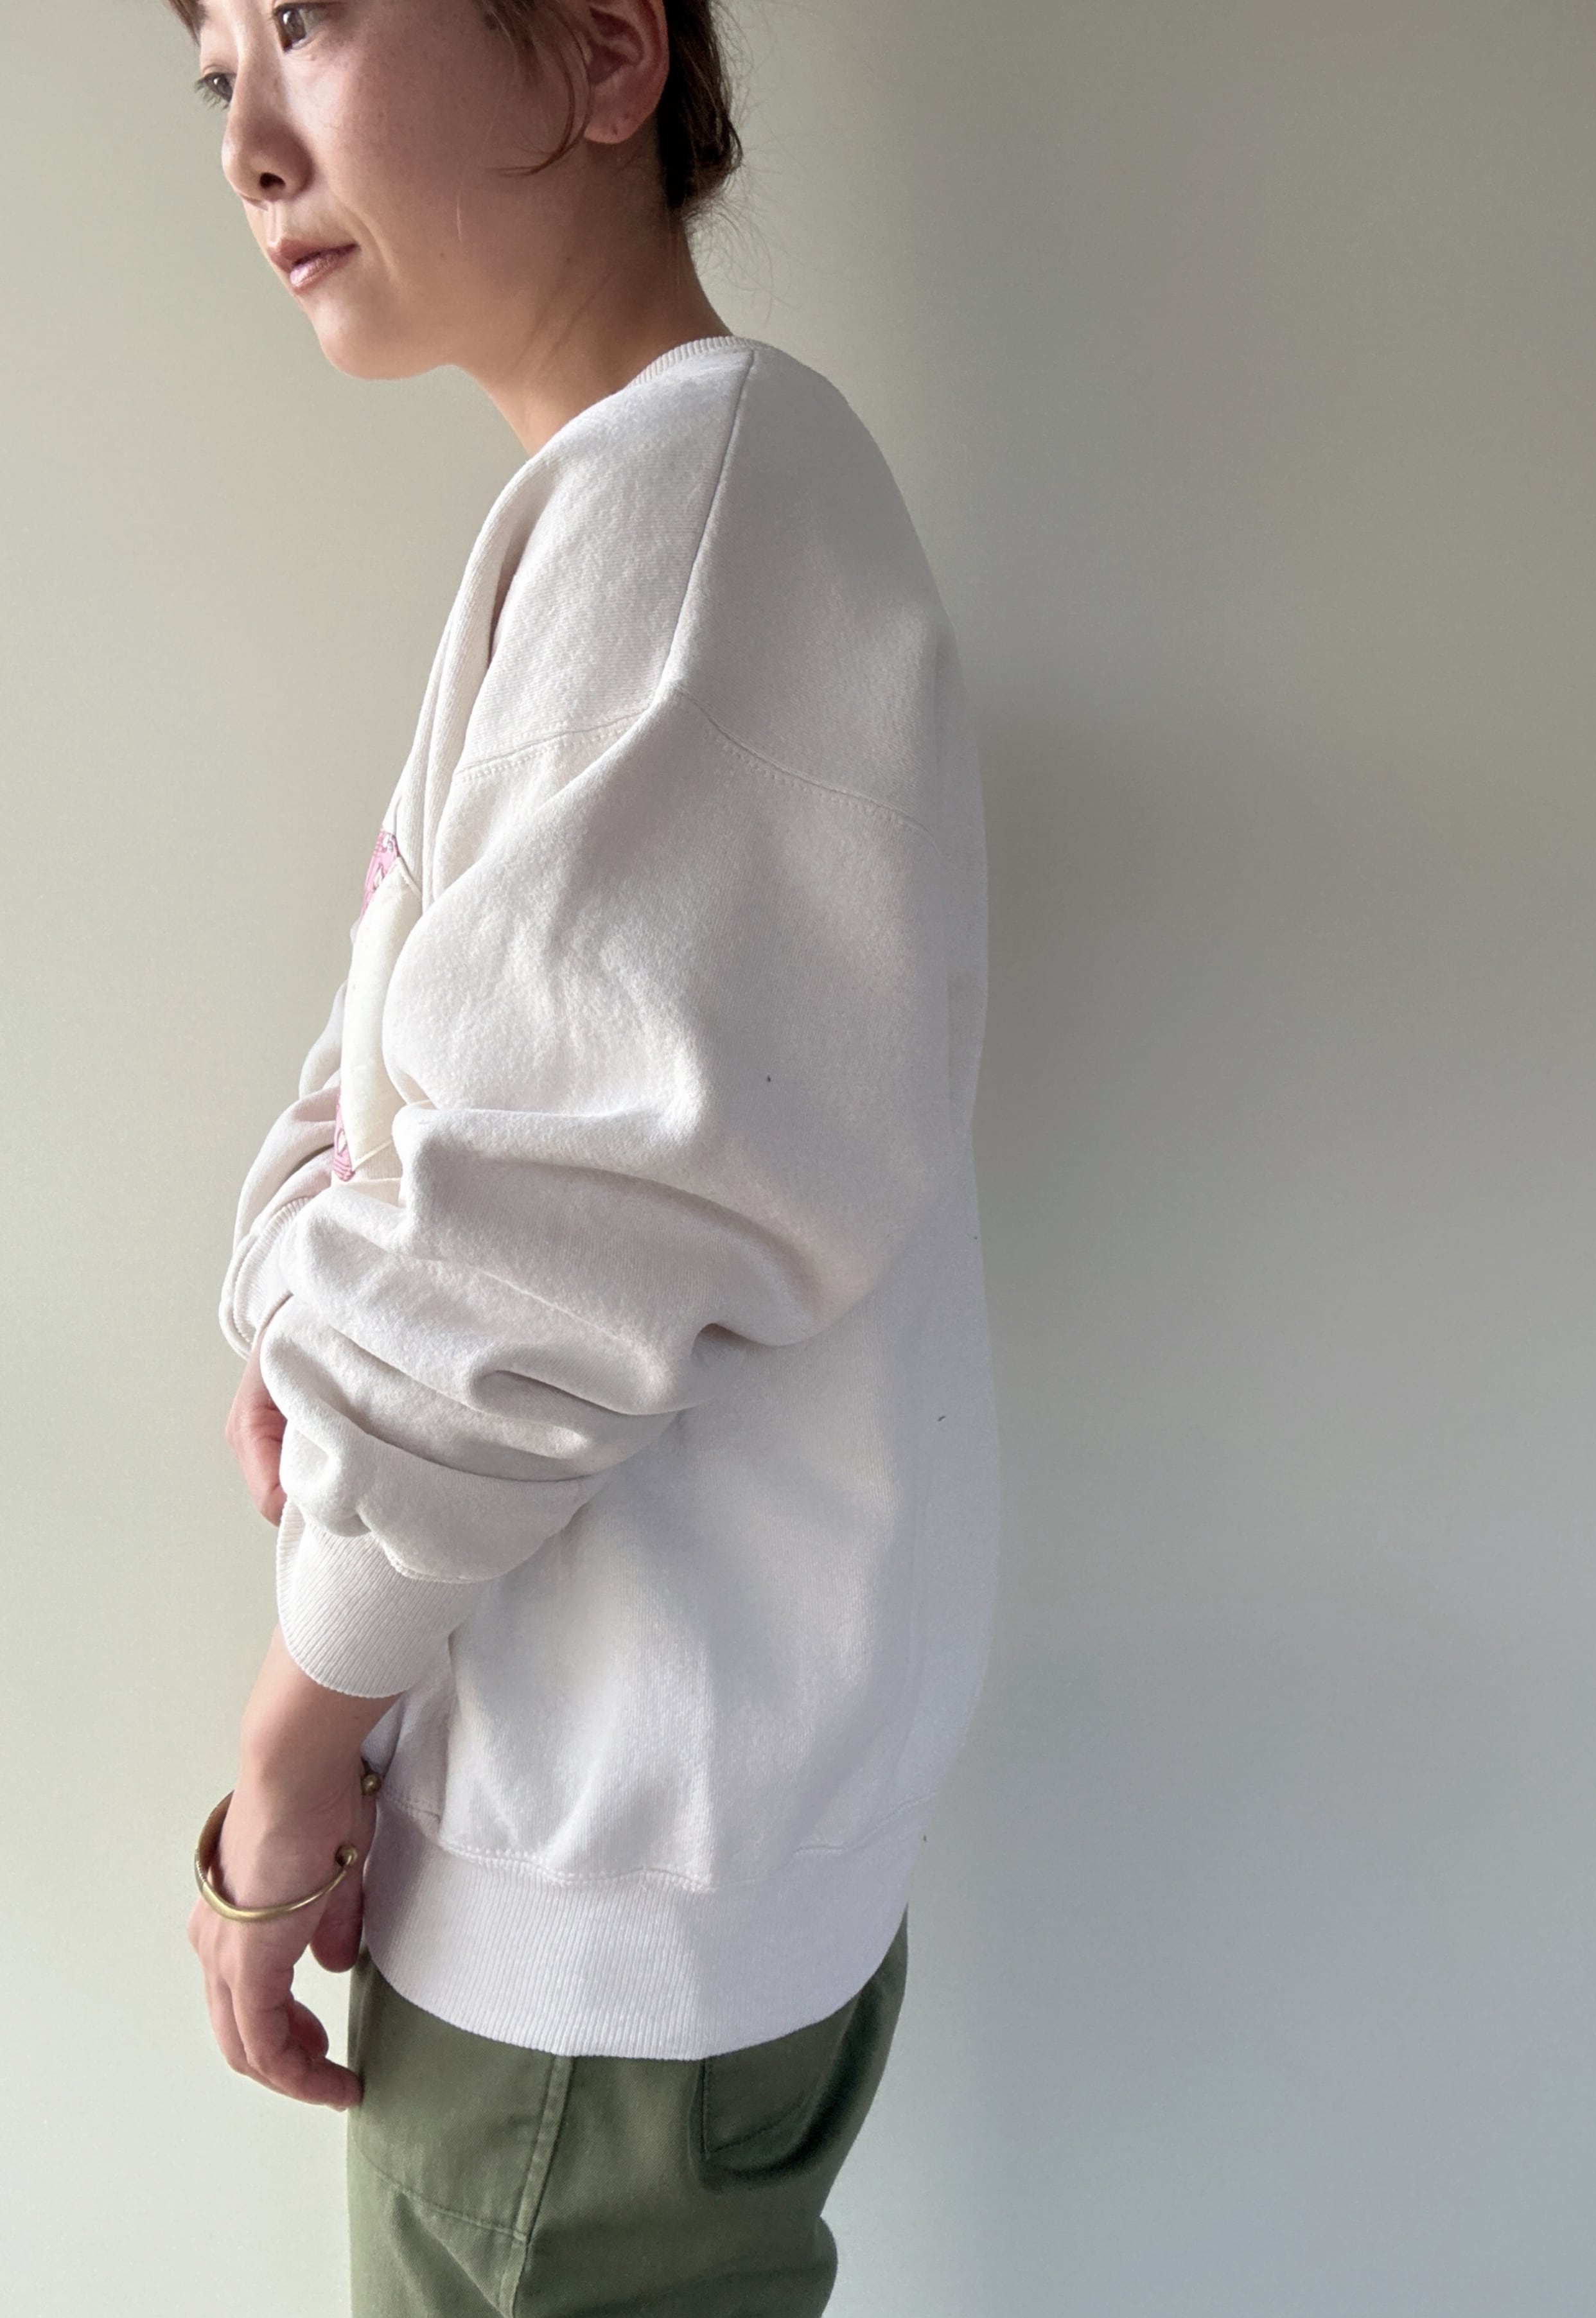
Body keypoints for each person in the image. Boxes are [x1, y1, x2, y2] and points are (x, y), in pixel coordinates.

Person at [173, 4, 1001, 2312]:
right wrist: (327, 1322)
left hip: (584, 1918)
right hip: (612, 1873)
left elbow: (504, 1263)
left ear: (608, 53)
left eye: (308, 19)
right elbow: (366, 1135)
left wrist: (289, 1752)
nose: (248, 144)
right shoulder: (630, 516)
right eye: (213, 66)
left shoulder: (696, 510)